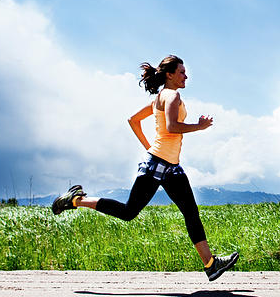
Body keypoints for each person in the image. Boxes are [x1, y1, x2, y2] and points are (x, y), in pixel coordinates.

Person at [51, 55, 239, 282]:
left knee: (191, 212)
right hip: (158, 163)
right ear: (169, 75)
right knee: (129, 212)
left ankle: (210, 264)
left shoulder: (160, 97)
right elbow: (171, 126)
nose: (185, 76)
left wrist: (149, 146)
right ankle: (75, 201)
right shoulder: (171, 95)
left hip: (170, 166)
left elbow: (133, 120)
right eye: (181, 72)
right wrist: (198, 127)